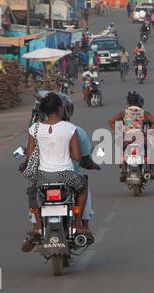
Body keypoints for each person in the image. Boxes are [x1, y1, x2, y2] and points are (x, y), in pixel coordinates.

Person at [22, 92, 90, 251]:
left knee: (32, 192)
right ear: (61, 108)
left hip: (42, 176)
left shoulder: (35, 128)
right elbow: (77, 156)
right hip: (65, 175)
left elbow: (29, 155)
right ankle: (79, 224)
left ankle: (38, 226)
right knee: (83, 188)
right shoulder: (70, 128)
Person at [108, 92, 154, 182]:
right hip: (140, 137)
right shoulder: (143, 112)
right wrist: (149, 132)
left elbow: (110, 121)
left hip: (127, 138)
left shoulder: (124, 112)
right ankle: (148, 169)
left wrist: (119, 132)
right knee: (149, 148)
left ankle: (123, 170)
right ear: (140, 103)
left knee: (122, 150)